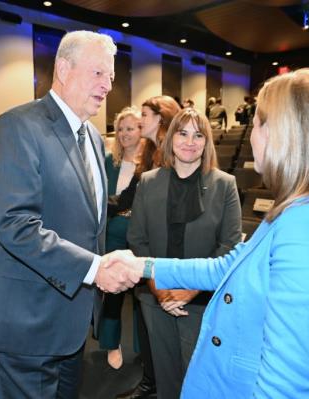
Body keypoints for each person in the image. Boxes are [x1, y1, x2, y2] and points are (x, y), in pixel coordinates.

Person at [106, 68, 309, 398]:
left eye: (257, 124)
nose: (252, 136)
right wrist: (145, 267)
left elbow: (287, 383)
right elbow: (229, 266)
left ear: (282, 133)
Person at [0, 30, 140, 399]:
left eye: (111, 76)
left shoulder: (93, 137)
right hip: (23, 322)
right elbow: (16, 225)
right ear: (63, 67)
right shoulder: (18, 125)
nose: (108, 85)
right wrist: (96, 269)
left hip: (69, 323)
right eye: (98, 73)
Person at [127, 107, 242, 399]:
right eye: (182, 133)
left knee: (200, 381)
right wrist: (162, 291)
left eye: (198, 135)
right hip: (155, 298)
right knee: (166, 380)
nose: (190, 141)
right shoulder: (149, 181)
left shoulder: (225, 184)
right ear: (171, 138)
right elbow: (137, 240)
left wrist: (187, 291)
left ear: (207, 142)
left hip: (203, 300)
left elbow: (228, 247)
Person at [116, 95, 182, 399]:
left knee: (166, 328)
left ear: (162, 118)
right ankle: (150, 383)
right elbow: (126, 200)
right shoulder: (151, 154)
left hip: (169, 254)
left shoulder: (176, 153)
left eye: (145, 114)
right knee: (146, 320)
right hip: (147, 251)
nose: (139, 120)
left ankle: (159, 385)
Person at [99, 106, 143, 370]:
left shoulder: (151, 162)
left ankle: (142, 345)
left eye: (131, 128)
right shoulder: (108, 161)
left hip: (141, 231)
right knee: (113, 291)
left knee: (142, 294)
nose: (125, 134)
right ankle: (111, 344)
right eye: (121, 129)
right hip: (114, 229)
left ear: (141, 130)